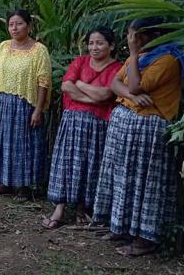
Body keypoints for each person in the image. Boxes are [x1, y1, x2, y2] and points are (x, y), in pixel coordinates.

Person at [92, 17, 184, 257]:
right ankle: (121, 227)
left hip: (148, 129)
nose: (130, 41)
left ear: (148, 36)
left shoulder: (167, 60)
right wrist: (132, 95)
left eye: (133, 36)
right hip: (126, 125)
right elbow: (116, 83)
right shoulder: (137, 57)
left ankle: (144, 239)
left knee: (143, 183)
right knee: (121, 178)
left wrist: (134, 62)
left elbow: (137, 85)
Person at [42, 26, 122, 229]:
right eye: (91, 43)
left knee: (90, 166)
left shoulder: (117, 69)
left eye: (100, 43)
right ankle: (59, 209)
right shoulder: (80, 61)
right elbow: (66, 87)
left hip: (98, 126)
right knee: (66, 164)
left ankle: (82, 210)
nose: (94, 47)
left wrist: (80, 84)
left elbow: (106, 95)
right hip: (72, 121)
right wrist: (92, 96)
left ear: (111, 46)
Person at [0, 9, 51, 202]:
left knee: (23, 146)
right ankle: (3, 182)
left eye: (19, 23)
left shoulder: (39, 50)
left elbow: (43, 82)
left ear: (29, 25)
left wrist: (38, 109)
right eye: (11, 24)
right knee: (1, 144)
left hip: (24, 106)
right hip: (0, 105)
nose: (14, 28)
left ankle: (23, 187)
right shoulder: (3, 47)